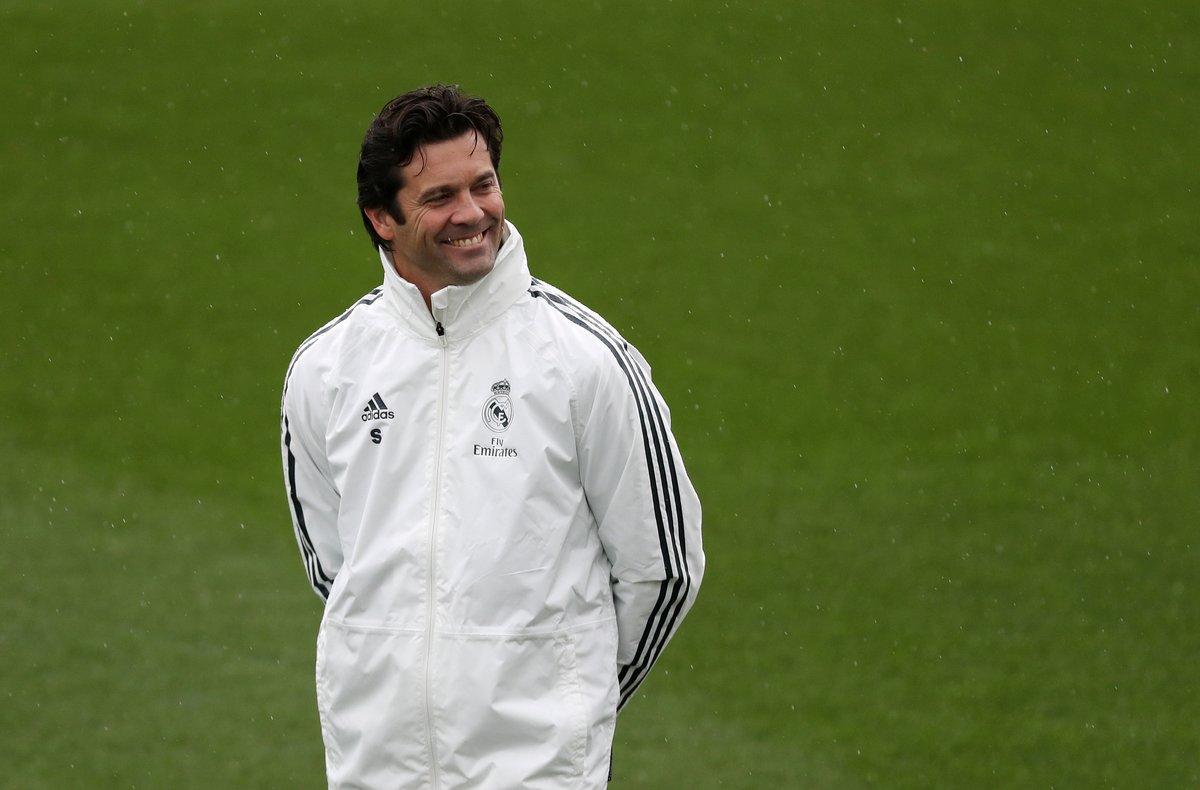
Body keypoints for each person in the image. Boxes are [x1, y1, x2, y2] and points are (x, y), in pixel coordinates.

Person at [280, 84, 704, 789]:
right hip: (376, 765)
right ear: (382, 218)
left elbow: (663, 567)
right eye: (440, 197)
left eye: (484, 185)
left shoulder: (585, 360)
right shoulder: (326, 368)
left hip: (537, 770)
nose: (473, 213)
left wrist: (572, 698)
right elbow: (335, 567)